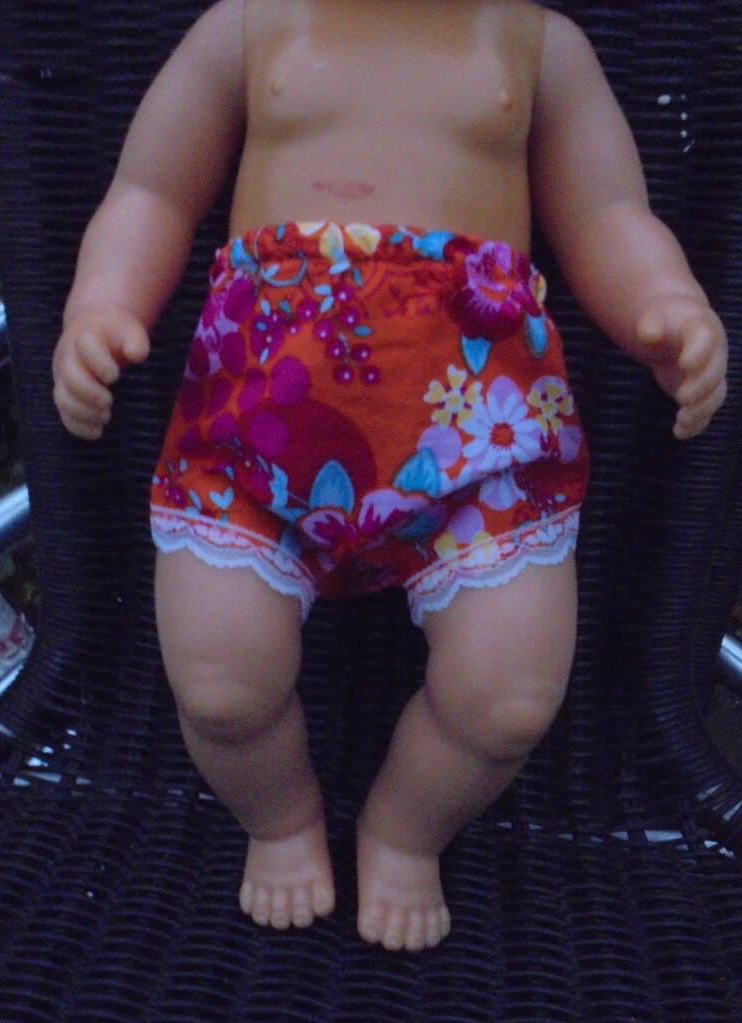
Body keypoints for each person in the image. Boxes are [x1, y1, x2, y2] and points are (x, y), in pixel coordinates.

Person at [51, 0, 728, 952]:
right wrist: (100, 307)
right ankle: (280, 819)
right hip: (259, 429)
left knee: (507, 699)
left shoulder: (536, 45)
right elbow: (151, 193)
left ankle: (407, 829)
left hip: (479, 437)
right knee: (220, 683)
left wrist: (664, 301)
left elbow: (608, 216)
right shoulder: (250, 25)